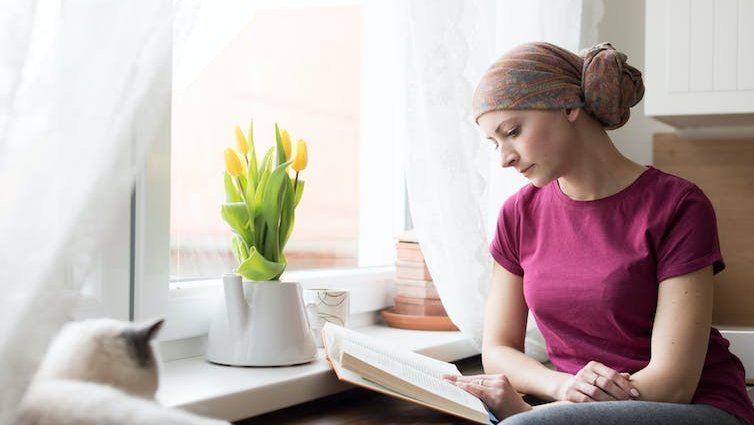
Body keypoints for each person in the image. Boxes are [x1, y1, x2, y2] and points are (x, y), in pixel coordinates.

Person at [442, 41, 754, 425]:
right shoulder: (518, 215)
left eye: (513, 131)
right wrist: (560, 387)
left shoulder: (678, 205)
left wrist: (529, 411)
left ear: (569, 106)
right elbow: (499, 350)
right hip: (574, 411)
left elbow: (674, 384)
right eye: (495, 143)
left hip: (694, 409)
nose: (505, 158)